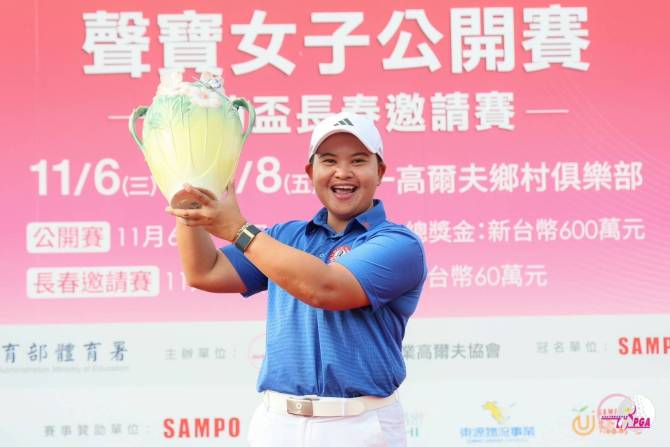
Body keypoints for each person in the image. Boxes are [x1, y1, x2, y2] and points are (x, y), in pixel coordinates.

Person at [166, 111, 427, 446]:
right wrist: (188, 196)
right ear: (311, 172)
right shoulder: (286, 237)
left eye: (358, 161)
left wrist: (239, 230)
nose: (342, 173)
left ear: (380, 172)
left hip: (359, 424)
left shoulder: (398, 244)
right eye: (328, 161)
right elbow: (205, 271)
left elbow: (326, 288)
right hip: (278, 423)